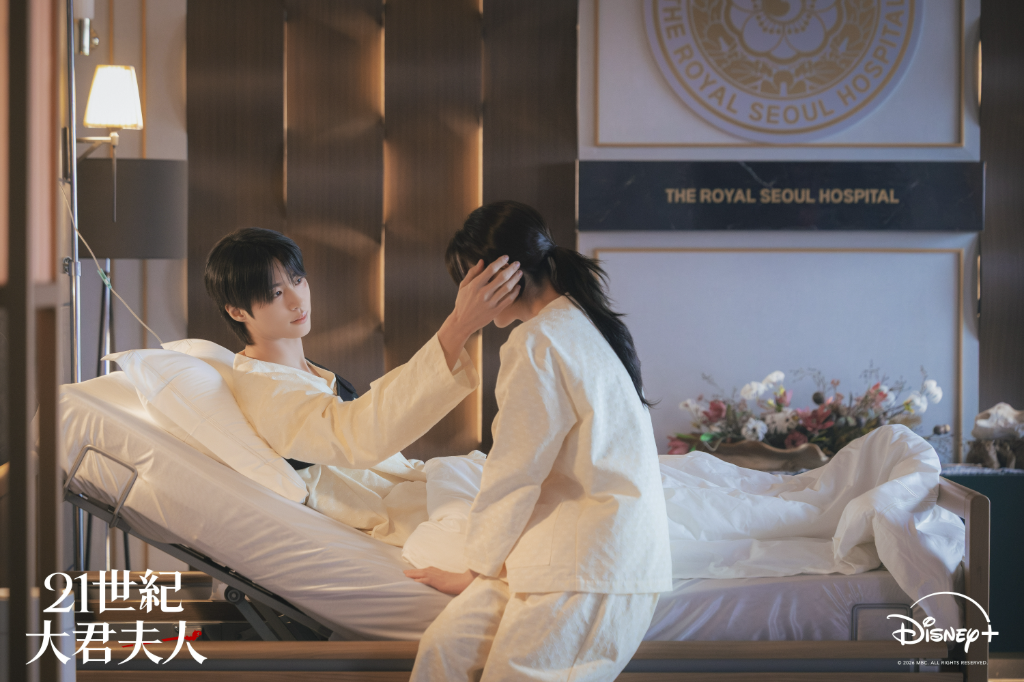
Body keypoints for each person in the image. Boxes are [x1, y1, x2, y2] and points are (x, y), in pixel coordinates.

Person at [404, 202, 672, 681]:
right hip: (547, 551)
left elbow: (514, 471)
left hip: (590, 564)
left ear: (498, 276)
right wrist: (487, 570)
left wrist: (475, 569)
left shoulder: (541, 341)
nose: (464, 298)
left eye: (467, 282)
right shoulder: (574, 325)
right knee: (443, 651)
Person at [203, 227, 522, 545]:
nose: (297, 300)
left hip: (415, 485)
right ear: (237, 311)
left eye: (297, 280)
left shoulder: (298, 370)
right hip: (391, 511)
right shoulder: (268, 394)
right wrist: (459, 325)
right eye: (275, 293)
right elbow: (357, 436)